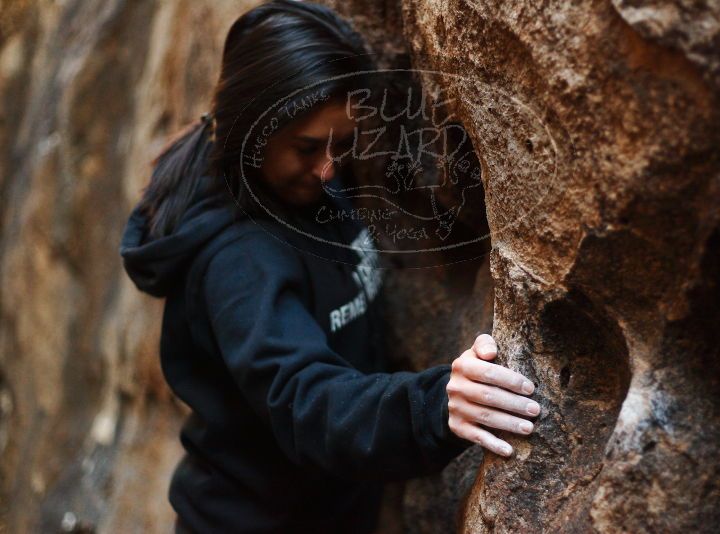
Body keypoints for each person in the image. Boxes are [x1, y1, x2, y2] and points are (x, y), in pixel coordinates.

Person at [119, 1, 540, 532]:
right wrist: (434, 408)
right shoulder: (236, 262)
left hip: (329, 504)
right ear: (248, 125)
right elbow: (304, 400)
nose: (327, 169)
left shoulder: (295, 186)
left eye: (342, 143)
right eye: (306, 147)